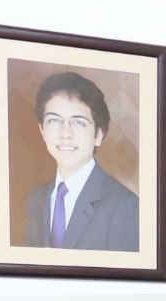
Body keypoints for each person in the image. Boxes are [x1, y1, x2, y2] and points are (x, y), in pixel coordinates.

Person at [22, 72, 139, 252]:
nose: (65, 133)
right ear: (42, 131)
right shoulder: (36, 199)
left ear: (98, 134)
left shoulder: (124, 205)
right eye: (54, 120)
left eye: (78, 122)